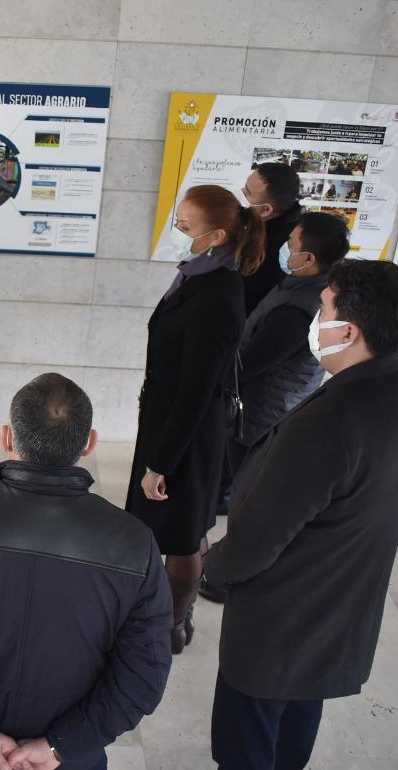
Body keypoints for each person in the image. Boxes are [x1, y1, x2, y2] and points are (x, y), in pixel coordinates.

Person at [203, 259, 398, 770]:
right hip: (338, 608)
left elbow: (256, 543)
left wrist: (209, 569)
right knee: (296, 721)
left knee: (246, 744)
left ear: (348, 330)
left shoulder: (329, 423)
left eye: (323, 309)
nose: (316, 319)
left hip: (280, 622)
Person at [0, 374, 173, 770]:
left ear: (7, 437)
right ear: (89, 443)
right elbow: (144, 676)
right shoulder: (135, 544)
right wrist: (59, 747)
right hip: (73, 756)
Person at [126, 185, 262, 655]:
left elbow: (196, 392)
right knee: (186, 526)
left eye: (186, 226)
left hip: (185, 434)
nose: (179, 230)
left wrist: (161, 463)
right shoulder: (202, 274)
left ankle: (171, 624)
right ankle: (166, 619)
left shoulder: (216, 293)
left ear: (217, 234)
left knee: (182, 537)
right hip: (173, 424)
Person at [205, 212, 350, 568]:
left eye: (292, 244)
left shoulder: (300, 310)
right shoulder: (298, 285)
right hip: (257, 408)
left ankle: (235, 568)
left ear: (309, 259)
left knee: (249, 497)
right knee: (240, 487)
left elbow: (251, 363)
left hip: (262, 415)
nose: (285, 248)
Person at [240, 163, 302, 313]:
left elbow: (245, 298)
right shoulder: (260, 224)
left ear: (266, 210)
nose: (241, 191)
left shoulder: (272, 249)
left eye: (247, 193)